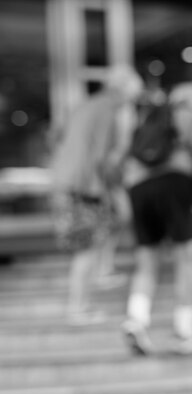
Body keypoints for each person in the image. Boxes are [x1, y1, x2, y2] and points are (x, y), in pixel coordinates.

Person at [121, 81, 192, 355]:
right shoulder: (190, 112)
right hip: (174, 184)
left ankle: (136, 319)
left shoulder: (148, 116)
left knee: (147, 260)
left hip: (138, 188)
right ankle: (184, 330)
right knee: (187, 257)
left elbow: (122, 156)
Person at [49, 65, 144, 324]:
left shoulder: (87, 105)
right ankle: (78, 308)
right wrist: (111, 190)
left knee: (98, 236)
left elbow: (59, 139)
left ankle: (99, 277)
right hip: (84, 186)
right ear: (122, 90)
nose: (131, 103)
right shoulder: (106, 110)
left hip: (70, 182)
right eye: (132, 97)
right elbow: (101, 157)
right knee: (87, 247)